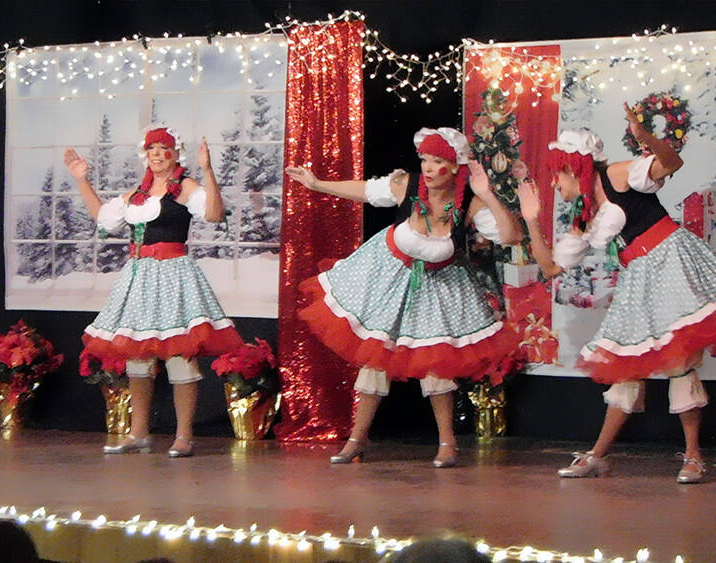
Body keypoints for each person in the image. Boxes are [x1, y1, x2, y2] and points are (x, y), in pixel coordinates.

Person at [517, 104, 716, 483]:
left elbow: (671, 163)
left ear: (575, 166)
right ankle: (598, 455)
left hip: (672, 263)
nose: (555, 184)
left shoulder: (618, 175)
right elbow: (552, 268)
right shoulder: (583, 215)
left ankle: (692, 456)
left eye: (558, 174)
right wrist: (531, 219)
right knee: (625, 364)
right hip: (639, 276)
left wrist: (646, 140)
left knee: (680, 360)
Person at [286, 127, 522, 466]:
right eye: (425, 159)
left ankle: (447, 444)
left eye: (437, 160)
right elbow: (366, 191)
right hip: (388, 277)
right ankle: (357, 439)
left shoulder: (469, 203)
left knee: (437, 363)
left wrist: (486, 194)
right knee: (375, 357)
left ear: (455, 166)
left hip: (440, 286)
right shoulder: (407, 186)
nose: (427, 167)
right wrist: (317, 183)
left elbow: (511, 236)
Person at [64, 126, 242, 458]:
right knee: (138, 357)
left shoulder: (184, 187)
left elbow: (215, 214)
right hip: (140, 277)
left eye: (164, 148)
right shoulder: (138, 194)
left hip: (174, 274)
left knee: (179, 355)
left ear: (176, 154)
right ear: (144, 154)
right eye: (152, 148)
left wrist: (206, 170)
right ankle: (139, 434)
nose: (157, 154)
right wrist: (81, 180)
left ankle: (183, 435)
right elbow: (104, 219)